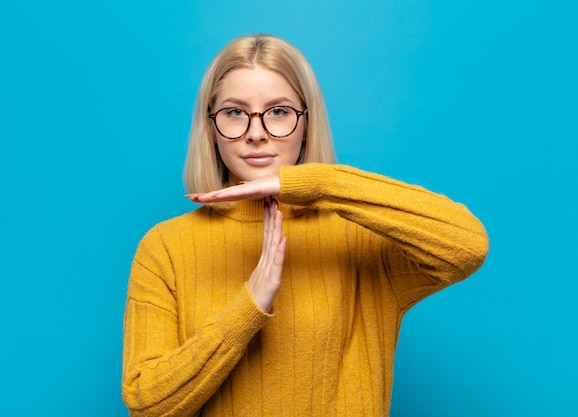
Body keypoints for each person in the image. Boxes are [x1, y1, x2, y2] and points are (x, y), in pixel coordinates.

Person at [121, 34, 488, 417]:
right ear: (211, 126)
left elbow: (466, 244)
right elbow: (148, 403)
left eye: (278, 111)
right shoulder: (166, 246)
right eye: (234, 112)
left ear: (307, 123)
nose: (257, 131)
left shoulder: (358, 237)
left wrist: (317, 183)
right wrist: (249, 306)